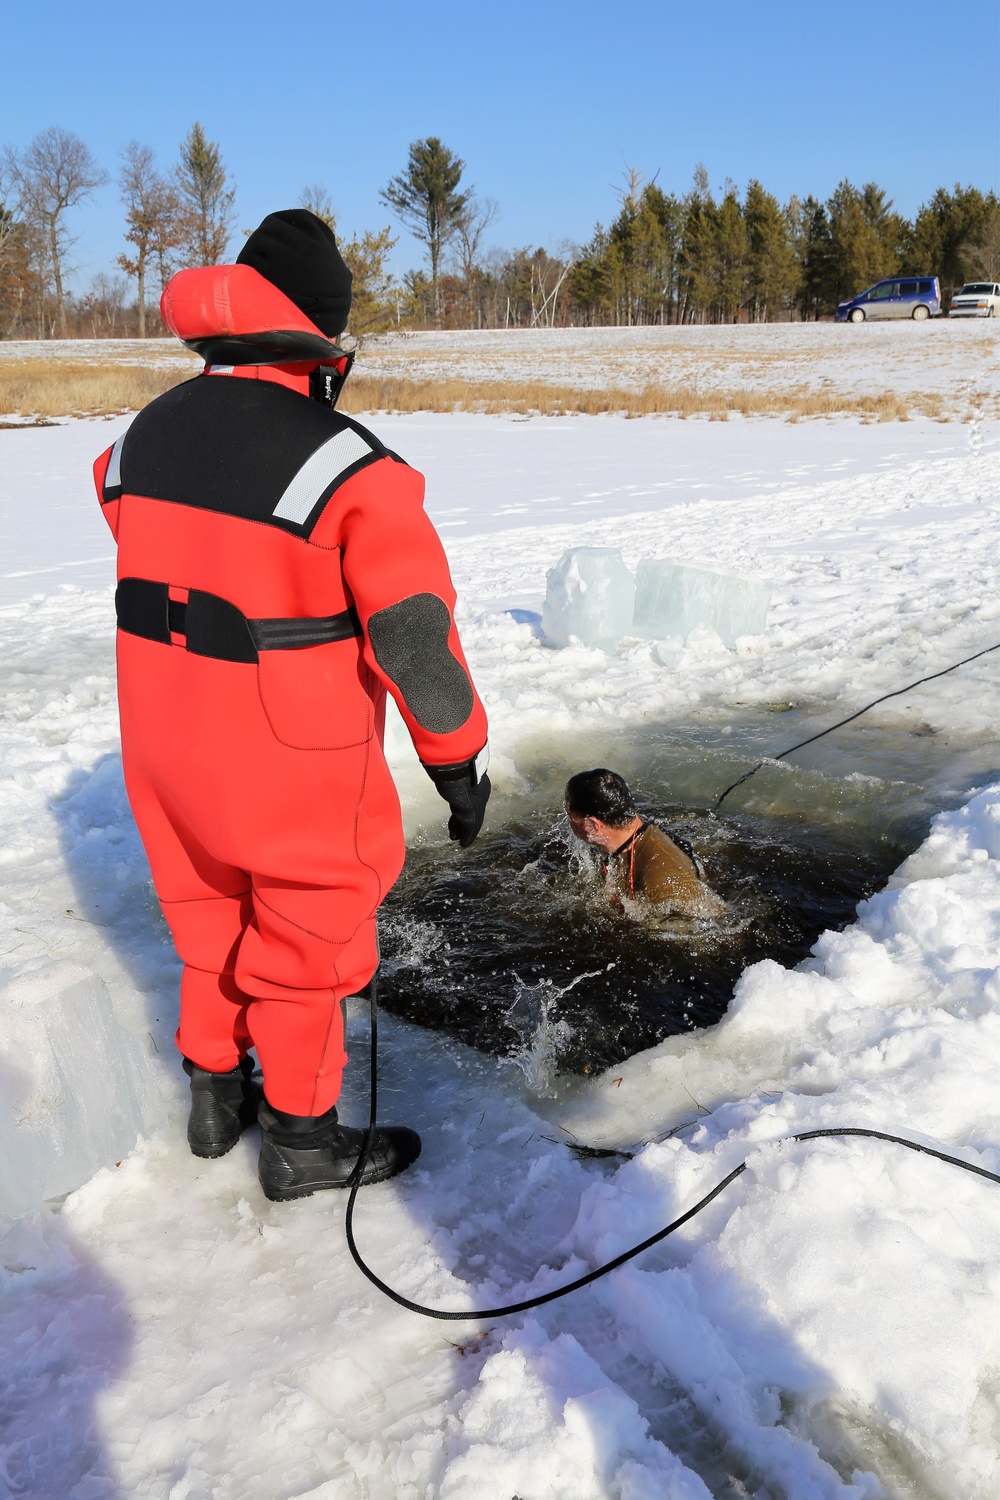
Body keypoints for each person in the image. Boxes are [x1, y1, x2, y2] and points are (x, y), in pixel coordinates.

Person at [94, 210, 490, 1201]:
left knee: (204, 914)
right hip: (290, 754)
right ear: (321, 339)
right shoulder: (351, 469)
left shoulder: (142, 435)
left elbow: (139, 535)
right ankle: (303, 1142)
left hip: (164, 738)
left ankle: (215, 1097)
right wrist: (456, 759)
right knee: (306, 941)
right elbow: (412, 639)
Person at [565, 769, 723, 919]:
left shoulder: (664, 885)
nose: (568, 823)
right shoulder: (627, 828)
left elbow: (715, 925)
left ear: (593, 826)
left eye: (570, 816)